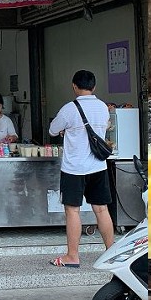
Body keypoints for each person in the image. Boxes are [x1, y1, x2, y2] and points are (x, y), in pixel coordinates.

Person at [47, 70, 114, 268]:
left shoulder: (69, 108)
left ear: (74, 86)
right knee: (101, 209)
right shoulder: (102, 107)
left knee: (73, 211)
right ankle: (111, 253)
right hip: (98, 166)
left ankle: (72, 256)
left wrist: (65, 129)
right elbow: (106, 125)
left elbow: (52, 130)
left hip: (74, 168)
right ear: (94, 87)